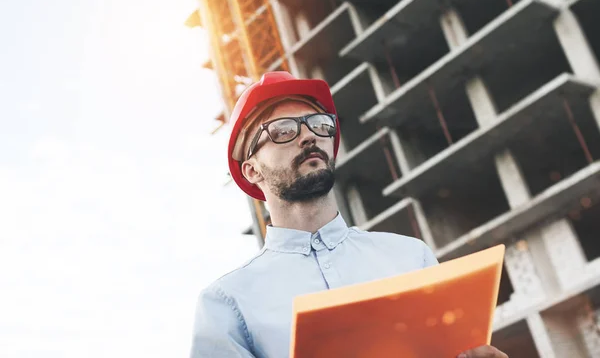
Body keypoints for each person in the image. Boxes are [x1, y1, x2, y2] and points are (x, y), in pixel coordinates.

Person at [190, 72, 508, 358]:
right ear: (251, 170)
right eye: (283, 130)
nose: (309, 136)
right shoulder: (227, 304)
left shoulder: (411, 257)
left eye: (319, 125)